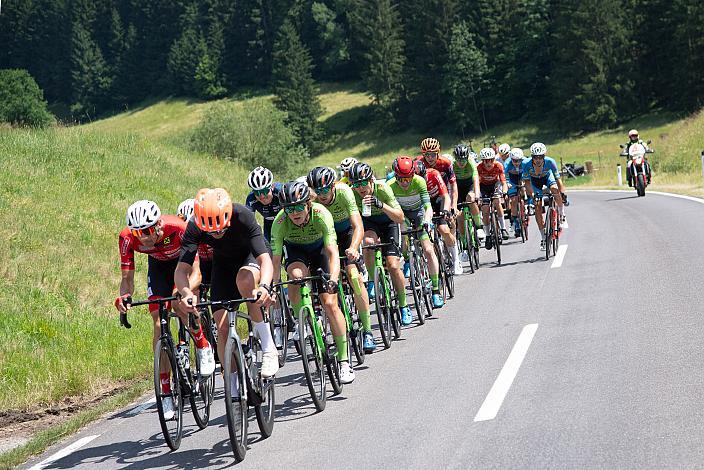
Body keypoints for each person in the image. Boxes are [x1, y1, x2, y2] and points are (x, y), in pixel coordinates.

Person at [115, 200, 215, 420]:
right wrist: (124, 297)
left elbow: (196, 273)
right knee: (158, 321)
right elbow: (127, 279)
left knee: (181, 304)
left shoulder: (178, 227)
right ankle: (165, 391)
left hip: (184, 264)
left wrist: (185, 290)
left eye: (148, 230)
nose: (144, 237)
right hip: (158, 268)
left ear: (159, 223)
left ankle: (202, 344)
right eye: (138, 232)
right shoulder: (126, 238)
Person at [175, 188, 279, 397]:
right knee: (221, 326)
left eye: (220, 229)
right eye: (211, 232)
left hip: (250, 255)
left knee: (245, 281)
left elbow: (264, 259)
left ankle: (269, 348)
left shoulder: (243, 216)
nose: (216, 234)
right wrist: (186, 292)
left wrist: (266, 286)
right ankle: (231, 383)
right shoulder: (194, 226)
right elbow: (182, 270)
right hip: (223, 262)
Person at [270, 181, 355, 383]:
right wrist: (273, 288)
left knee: (330, 303)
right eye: (289, 209)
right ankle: (305, 317)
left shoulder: (321, 214)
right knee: (295, 276)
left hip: (320, 252)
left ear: (308, 204)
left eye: (299, 207)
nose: (294, 213)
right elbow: (275, 260)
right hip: (297, 252)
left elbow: (334, 252)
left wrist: (333, 280)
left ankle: (344, 361)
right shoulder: (280, 222)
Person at [306, 166, 376, 352]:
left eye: (325, 189)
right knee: (329, 285)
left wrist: (353, 248)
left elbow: (358, 226)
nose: (321, 194)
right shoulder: (310, 201)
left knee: (353, 275)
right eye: (317, 190)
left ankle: (368, 330)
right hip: (326, 238)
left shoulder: (345, 192)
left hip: (346, 233)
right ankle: (338, 328)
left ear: (333, 186)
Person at [347, 162, 410, 324]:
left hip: (388, 222)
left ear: (371, 181)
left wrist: (380, 204)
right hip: (370, 224)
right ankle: (373, 280)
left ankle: (403, 305)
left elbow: (400, 217)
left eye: (362, 183)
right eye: (355, 184)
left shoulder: (382, 189)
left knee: (393, 265)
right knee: (368, 242)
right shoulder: (352, 194)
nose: (360, 188)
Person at [388, 157, 444, 311]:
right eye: (401, 179)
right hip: (402, 214)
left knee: (428, 249)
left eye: (408, 178)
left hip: (419, 213)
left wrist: (427, 220)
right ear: (395, 176)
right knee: (404, 236)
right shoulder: (390, 185)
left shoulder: (419, 181)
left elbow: (428, 206)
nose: (405, 182)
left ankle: (435, 289)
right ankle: (407, 260)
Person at [416, 137, 461, 272]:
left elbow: (453, 186)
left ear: (438, 152)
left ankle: (455, 260)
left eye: (433, 154)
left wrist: (453, 206)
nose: (430, 158)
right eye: (427, 154)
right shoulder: (417, 164)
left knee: (444, 228)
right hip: (425, 199)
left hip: (441, 194)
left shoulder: (445, 163)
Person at [522, 143, 565, 250]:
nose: (538, 160)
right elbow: (527, 183)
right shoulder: (526, 164)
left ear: (544, 156)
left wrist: (563, 193)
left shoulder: (550, 162)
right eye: (535, 157)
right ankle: (543, 238)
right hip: (535, 183)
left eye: (540, 157)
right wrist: (531, 195)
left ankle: (561, 212)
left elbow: (558, 180)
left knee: (555, 189)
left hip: (547, 178)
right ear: (532, 157)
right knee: (537, 206)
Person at [452, 144, 486, 257]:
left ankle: (479, 227)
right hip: (458, 188)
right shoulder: (452, 166)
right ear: (455, 158)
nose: (461, 162)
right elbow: (451, 185)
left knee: (471, 198)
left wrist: (477, 195)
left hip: (469, 185)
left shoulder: (471, 163)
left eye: (463, 159)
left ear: (467, 157)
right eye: (458, 159)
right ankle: (464, 243)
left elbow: (476, 180)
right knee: (460, 216)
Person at [477, 148, 510, 248]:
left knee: (497, 201)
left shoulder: (498, 166)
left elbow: (503, 182)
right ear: (482, 161)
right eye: (486, 160)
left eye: (491, 160)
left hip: (495, 185)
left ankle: (503, 228)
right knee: (485, 210)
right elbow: (477, 183)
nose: (489, 163)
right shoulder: (478, 167)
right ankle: (487, 235)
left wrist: (504, 192)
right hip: (483, 187)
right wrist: (478, 196)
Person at [245, 166, 283, 242]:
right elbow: (248, 222)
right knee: (268, 248)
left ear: (271, 187)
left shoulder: (280, 191)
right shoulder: (251, 198)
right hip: (269, 224)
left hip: (285, 221)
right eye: (257, 192)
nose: (262, 196)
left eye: (265, 191)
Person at [504, 148, 528, 237]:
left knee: (524, 189)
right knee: (513, 200)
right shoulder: (507, 163)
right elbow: (505, 176)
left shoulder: (525, 162)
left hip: (521, 177)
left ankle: (527, 204)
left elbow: (529, 173)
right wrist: (508, 183)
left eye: (519, 161)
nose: (517, 163)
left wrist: (526, 182)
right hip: (512, 179)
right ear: (511, 159)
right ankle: (516, 224)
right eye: (514, 160)